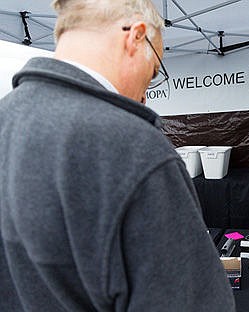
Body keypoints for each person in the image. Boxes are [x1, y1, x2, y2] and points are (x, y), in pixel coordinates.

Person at [0, 1, 236, 311]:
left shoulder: (6, 117)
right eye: (152, 73)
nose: (145, 94)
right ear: (136, 36)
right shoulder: (135, 148)